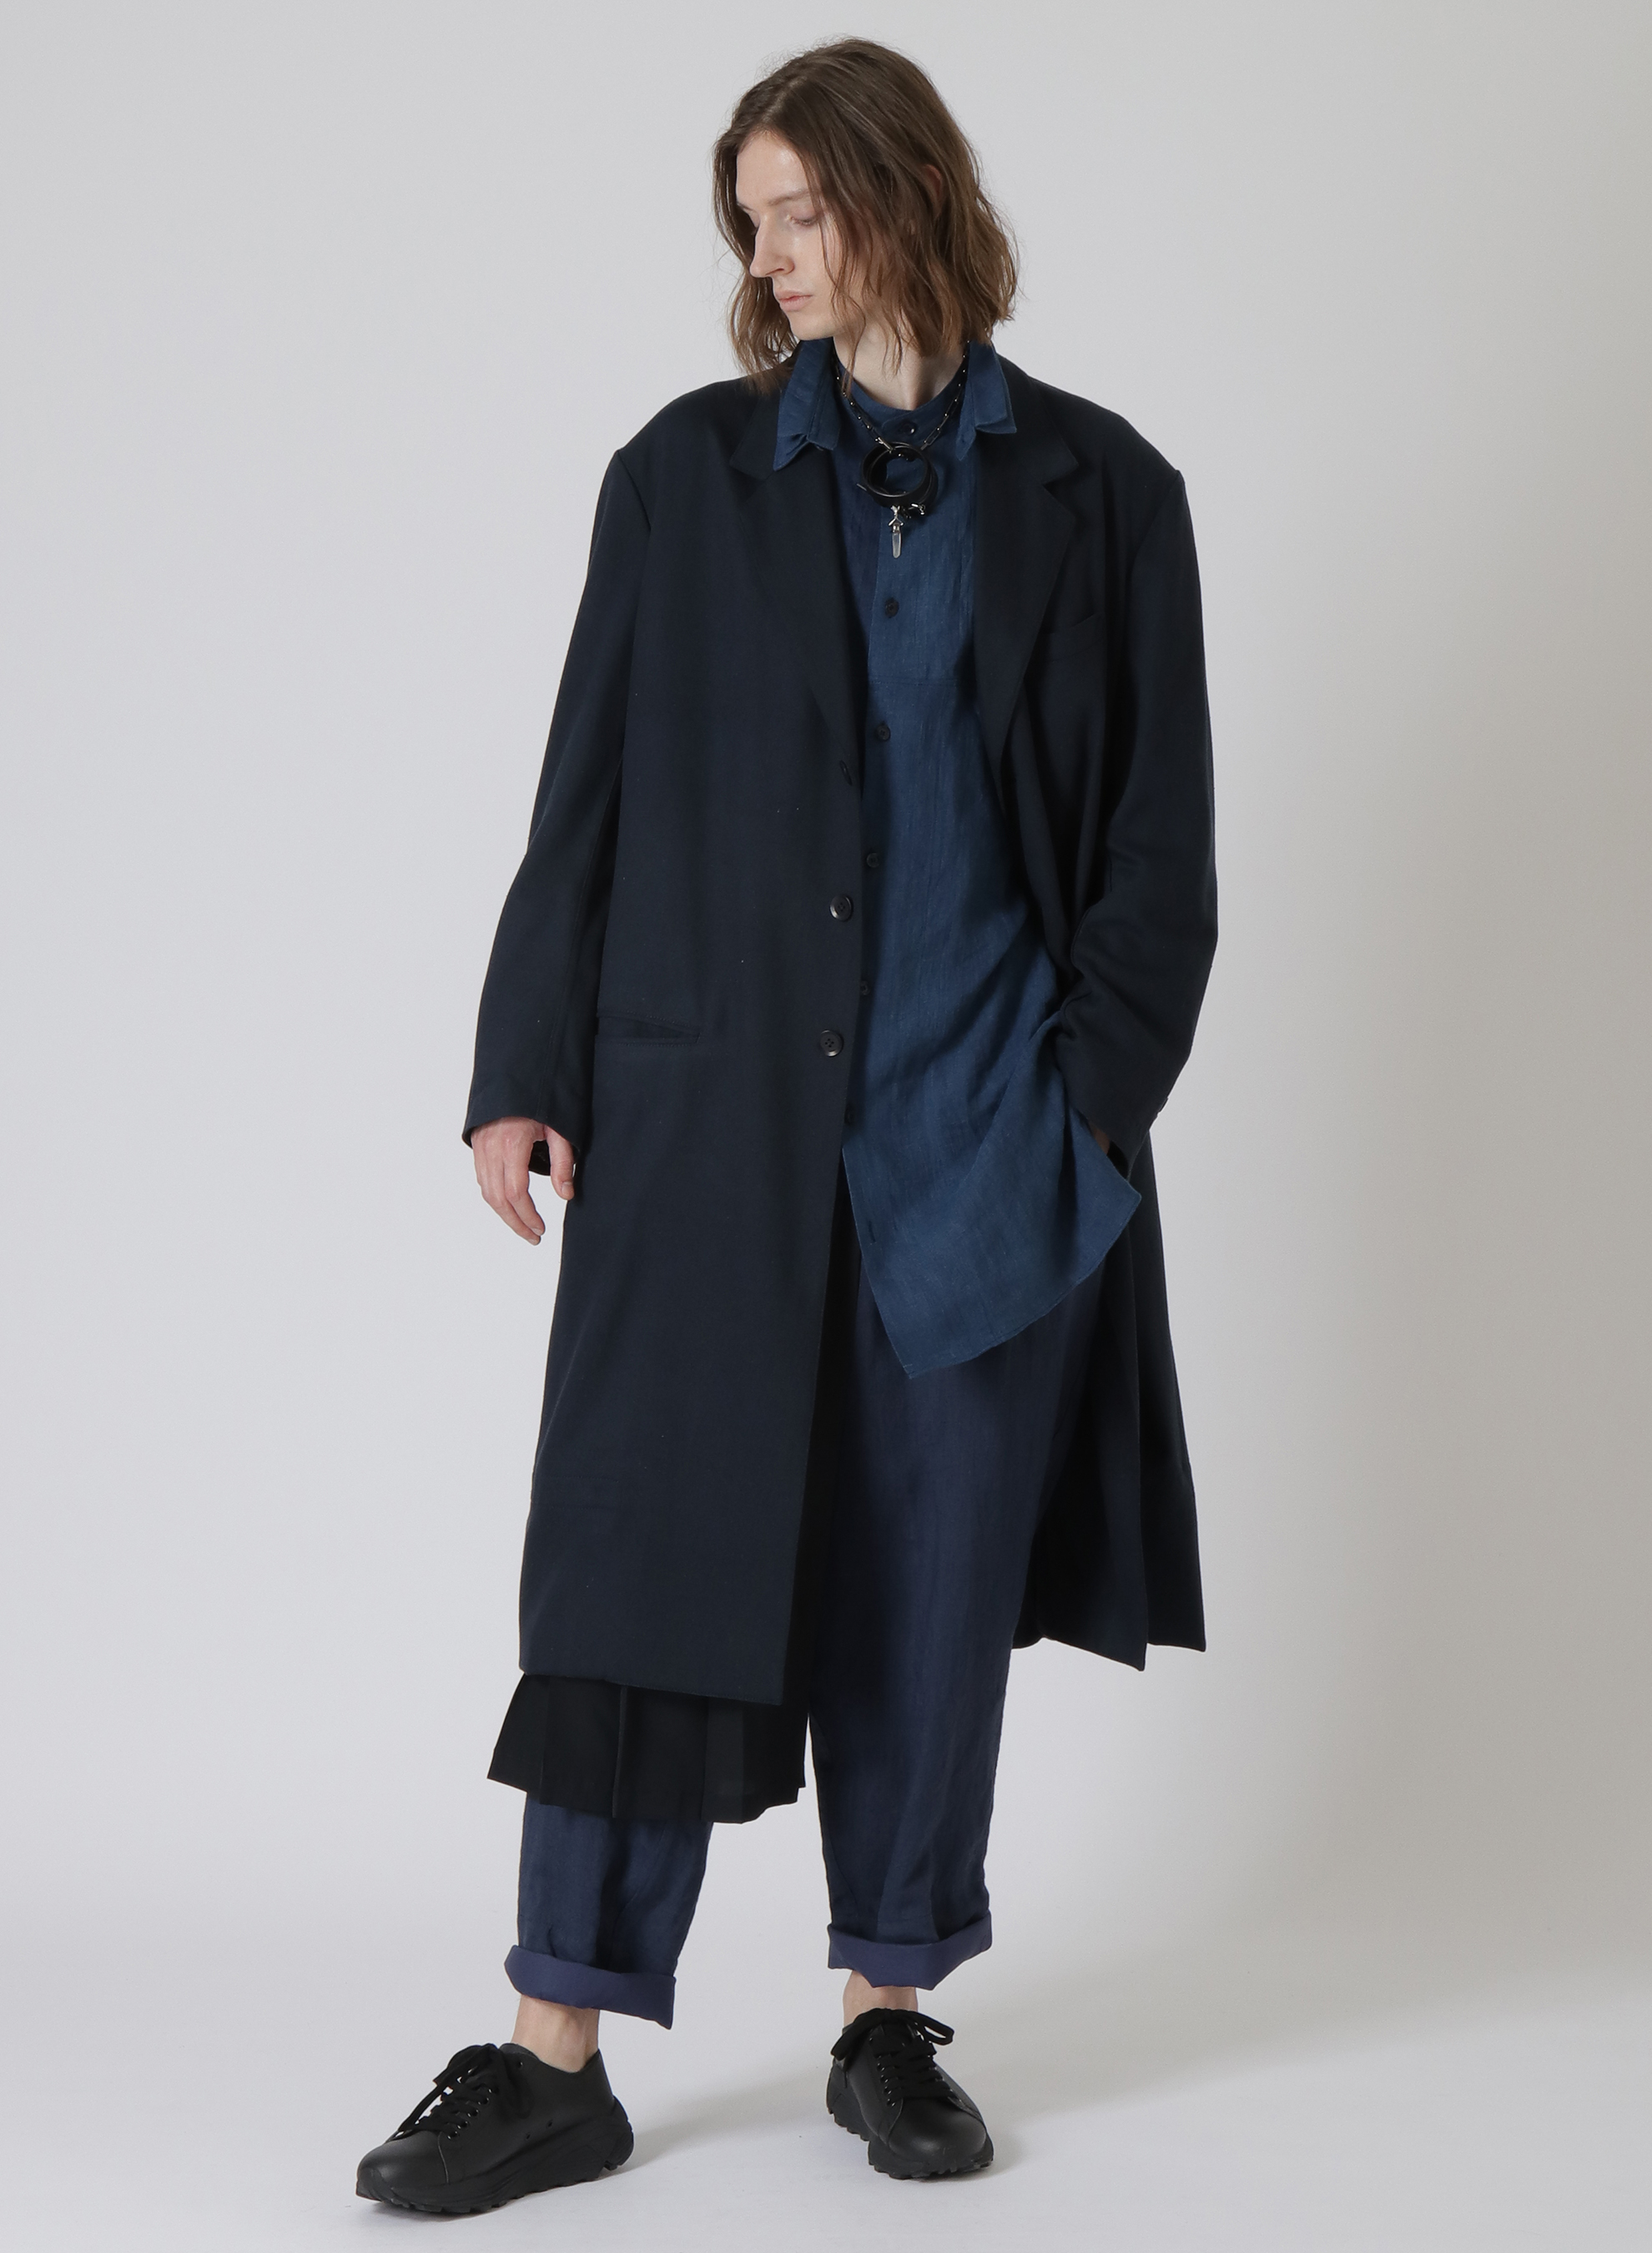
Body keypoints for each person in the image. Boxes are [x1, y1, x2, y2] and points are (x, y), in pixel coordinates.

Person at [356, 36, 1216, 2215]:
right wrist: (526, 1065)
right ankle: (554, 2049)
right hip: (711, 1127)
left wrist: (1079, 1119)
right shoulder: (684, 478)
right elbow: (585, 796)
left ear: (902, 193)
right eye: (751, 223)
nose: (772, 258)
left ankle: (887, 2015)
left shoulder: (1107, 495)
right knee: (639, 1568)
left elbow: (1160, 861)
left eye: (802, 211)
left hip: (983, 1146)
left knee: (925, 1597)